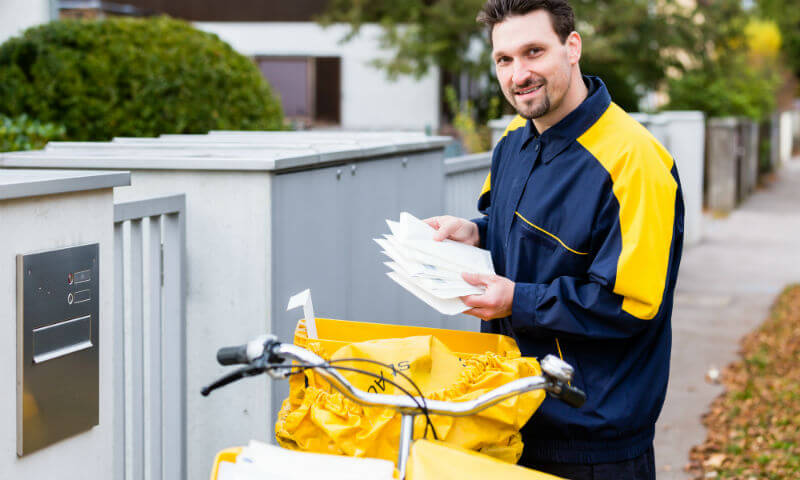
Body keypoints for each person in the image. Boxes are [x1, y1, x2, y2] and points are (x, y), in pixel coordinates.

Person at [425, 1, 684, 478]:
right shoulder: (513, 141)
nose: (519, 73)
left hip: (591, 440)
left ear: (572, 47)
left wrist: (516, 301)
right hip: (511, 415)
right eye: (504, 59)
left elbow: (631, 304)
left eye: (533, 52)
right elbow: (507, 227)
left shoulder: (636, 161)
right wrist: (474, 231)